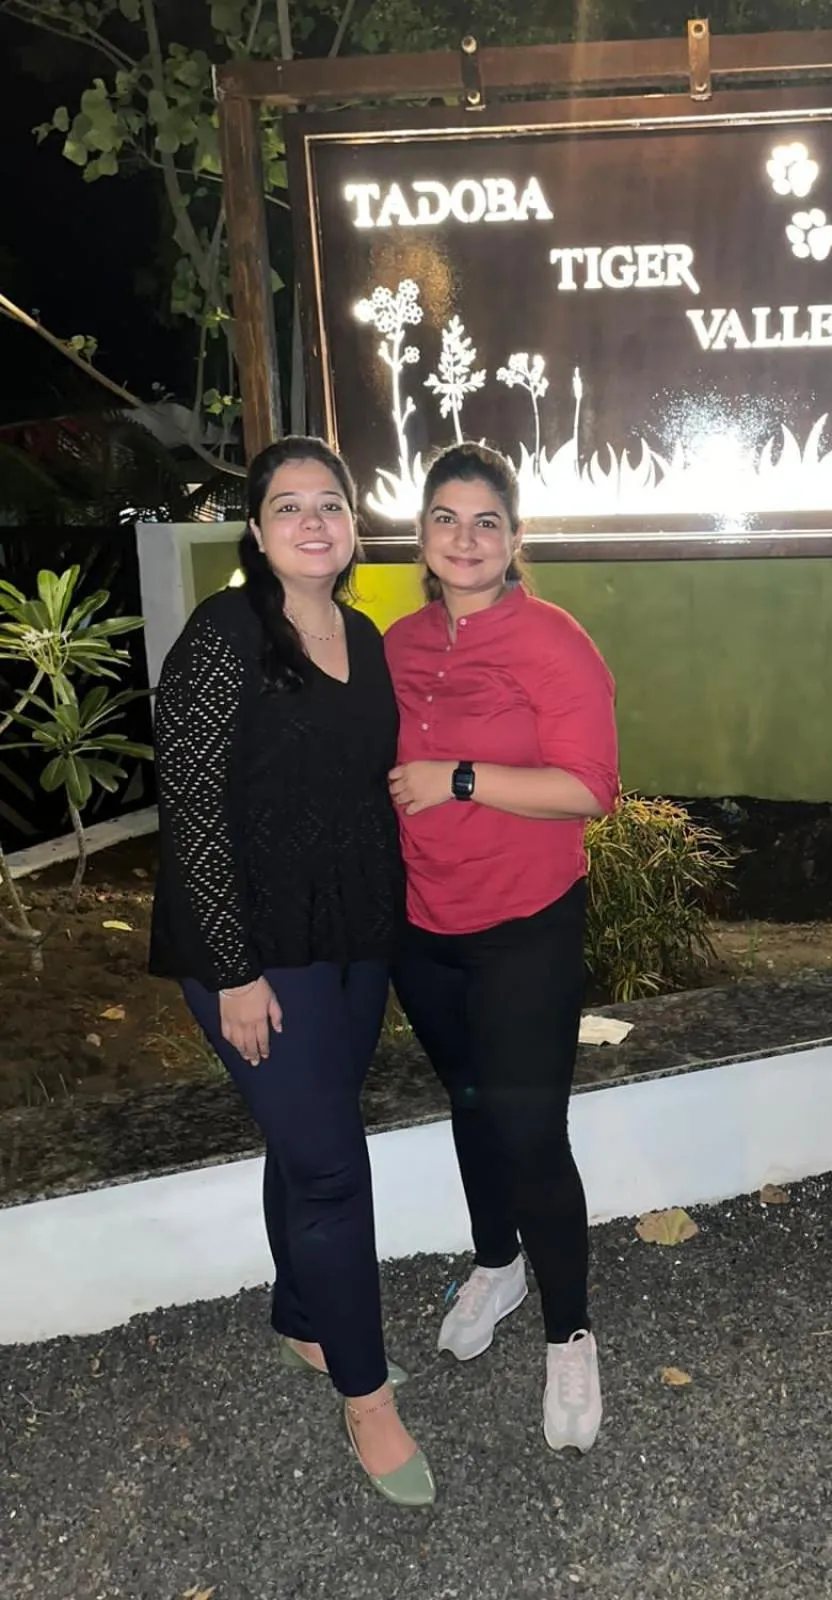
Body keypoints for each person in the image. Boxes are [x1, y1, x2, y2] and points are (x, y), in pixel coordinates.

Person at [148, 436, 435, 1509]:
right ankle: (366, 1397)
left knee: (307, 1132)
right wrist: (232, 969)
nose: (314, 521)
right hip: (253, 949)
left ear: (353, 524)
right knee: (327, 1164)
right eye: (288, 505)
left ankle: (304, 1321)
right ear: (258, 531)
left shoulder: (362, 634)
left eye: (331, 503)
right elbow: (192, 809)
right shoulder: (224, 637)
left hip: (354, 936)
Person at [385, 441, 619, 1454]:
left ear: (515, 539)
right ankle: (497, 1260)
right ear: (423, 536)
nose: (466, 538)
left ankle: (570, 1332)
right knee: (472, 1107)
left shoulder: (554, 643)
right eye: (447, 518)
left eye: (487, 521)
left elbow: (589, 787)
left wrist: (461, 777)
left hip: (525, 926)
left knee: (531, 1132)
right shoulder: (393, 643)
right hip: (420, 928)